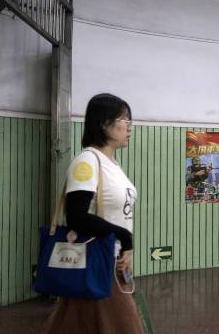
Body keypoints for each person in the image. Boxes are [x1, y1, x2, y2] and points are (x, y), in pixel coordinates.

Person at [39, 93, 143, 334]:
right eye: (123, 120)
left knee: (77, 323)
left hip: (113, 260)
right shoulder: (86, 162)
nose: (129, 127)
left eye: (129, 121)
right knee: (124, 325)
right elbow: (77, 216)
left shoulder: (112, 164)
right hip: (98, 260)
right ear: (103, 124)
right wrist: (125, 238)